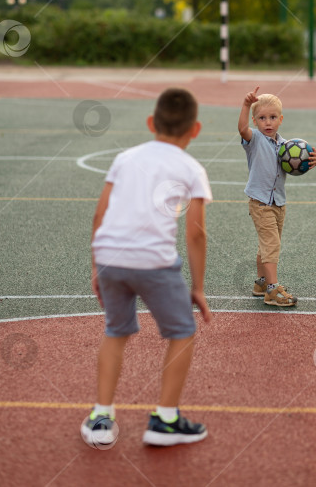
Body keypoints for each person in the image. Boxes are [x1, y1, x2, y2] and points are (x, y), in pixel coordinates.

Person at [81, 87, 212, 448]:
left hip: (110, 256)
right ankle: (165, 419)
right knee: (182, 332)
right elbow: (196, 233)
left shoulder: (125, 158)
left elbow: (100, 213)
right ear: (195, 130)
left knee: (115, 331)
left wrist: (97, 265)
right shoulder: (190, 167)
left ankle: (101, 417)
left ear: (151, 122)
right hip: (154, 261)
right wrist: (197, 287)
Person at [238, 86, 316, 307]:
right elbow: (242, 128)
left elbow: (299, 162)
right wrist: (246, 106)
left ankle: (261, 283)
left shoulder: (286, 146)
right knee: (271, 245)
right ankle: (272, 291)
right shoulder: (254, 139)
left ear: (280, 119)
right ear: (255, 121)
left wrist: (313, 161)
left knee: (267, 245)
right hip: (260, 202)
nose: (268, 122)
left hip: (278, 203)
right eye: (262, 118)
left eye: (272, 117)